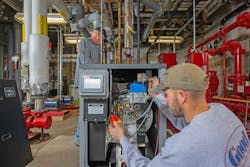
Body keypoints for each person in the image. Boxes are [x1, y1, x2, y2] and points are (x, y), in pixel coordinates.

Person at [108, 63, 250, 167]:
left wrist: (122, 138)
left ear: (182, 95)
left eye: (167, 95)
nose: (165, 99)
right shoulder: (222, 112)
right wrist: (157, 97)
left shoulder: (183, 146)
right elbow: (187, 123)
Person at [74, 27, 106, 146]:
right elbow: (84, 60)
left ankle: (87, 135)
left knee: (90, 109)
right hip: (85, 81)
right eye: (102, 39)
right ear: (97, 34)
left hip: (93, 82)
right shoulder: (85, 42)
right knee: (84, 110)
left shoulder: (96, 47)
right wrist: (100, 70)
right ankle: (79, 138)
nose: (101, 42)